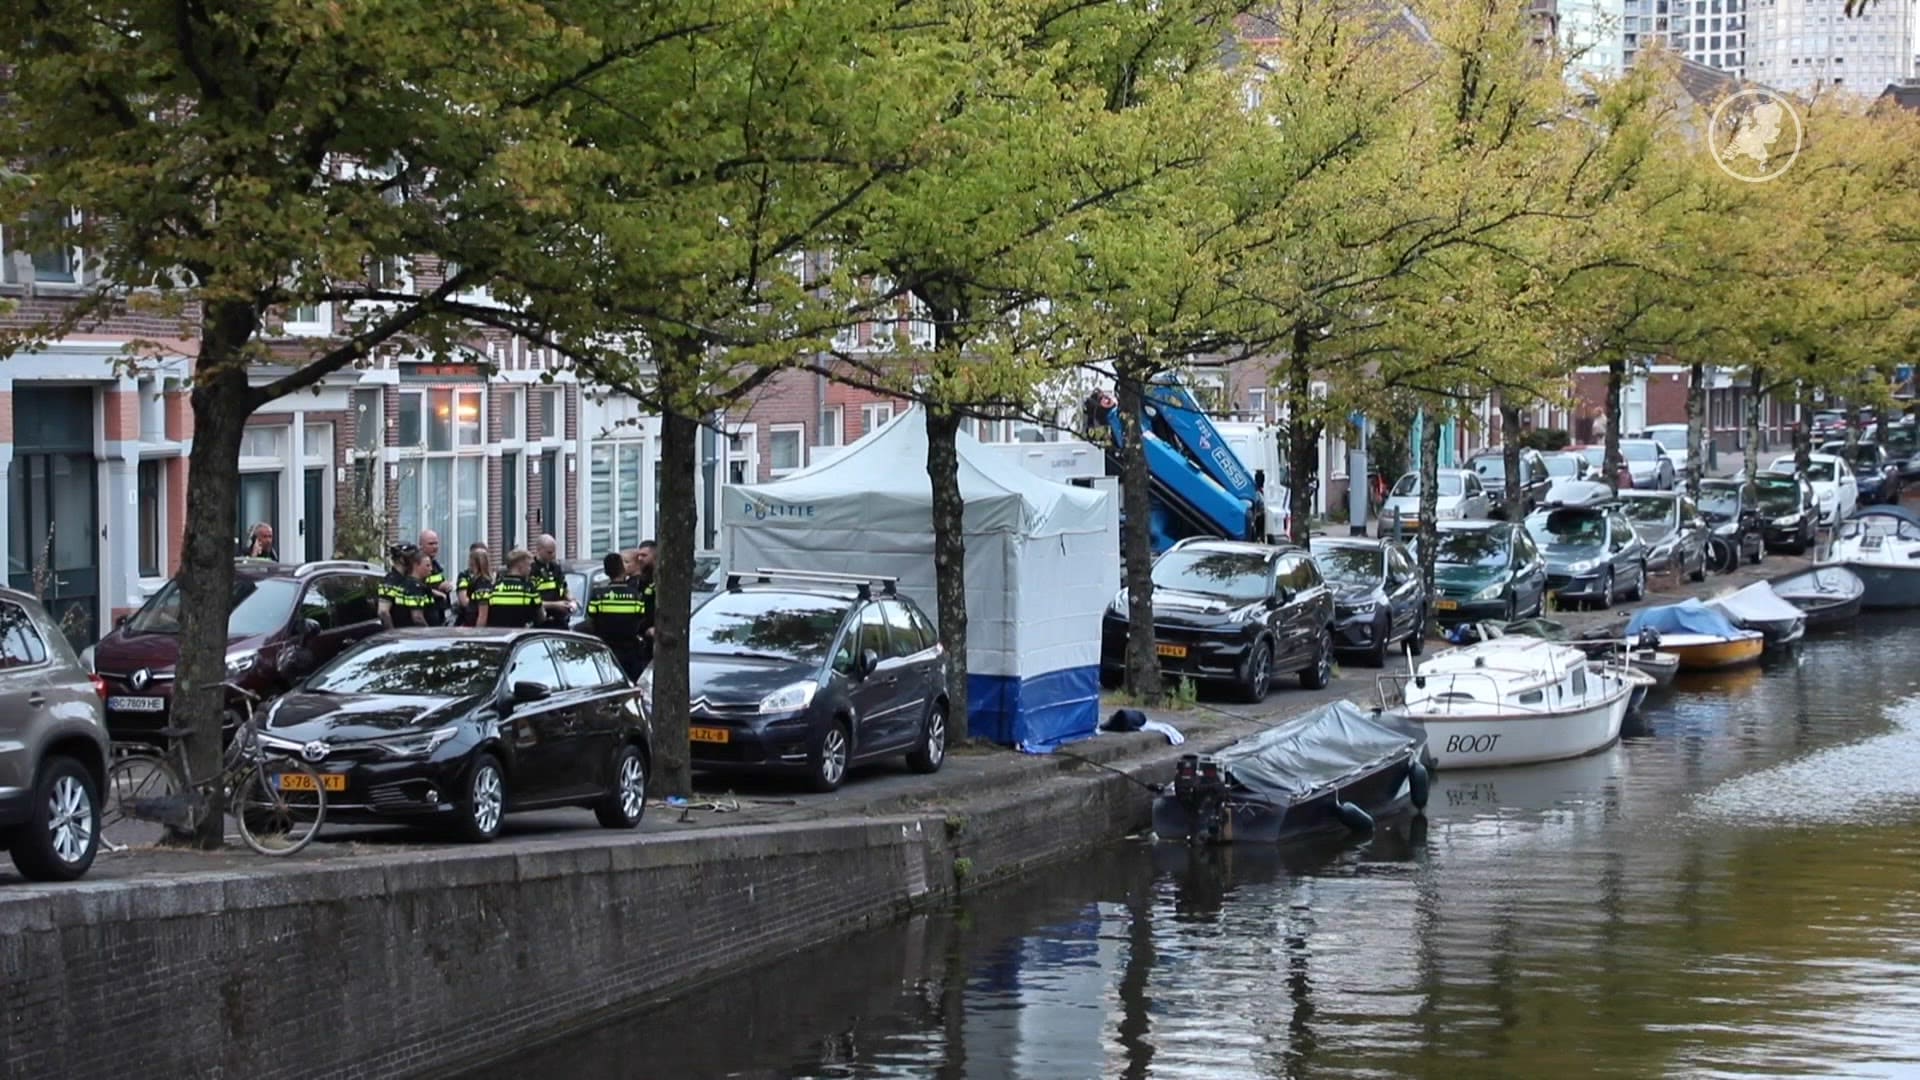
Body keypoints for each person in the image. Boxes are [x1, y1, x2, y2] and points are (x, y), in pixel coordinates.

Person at [585, 552, 646, 680]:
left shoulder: (598, 595)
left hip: (606, 651)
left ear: (606, 572)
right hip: (630, 652)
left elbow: (591, 620)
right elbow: (641, 619)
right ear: (623, 570)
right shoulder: (635, 595)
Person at [377, 543, 436, 629]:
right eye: (411, 557)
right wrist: (392, 633)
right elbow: (383, 612)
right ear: (402, 559)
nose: (414, 560)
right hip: (401, 633)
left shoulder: (406, 579)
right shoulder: (391, 581)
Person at [480, 548, 541, 629]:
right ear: (520, 565)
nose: (530, 569)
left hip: (497, 634)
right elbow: (541, 616)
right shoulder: (529, 589)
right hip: (520, 634)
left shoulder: (494, 587)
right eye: (529, 565)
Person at [530, 533, 574, 628]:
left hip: (560, 620)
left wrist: (571, 601)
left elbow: (564, 588)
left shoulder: (556, 567)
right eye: (549, 552)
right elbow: (532, 602)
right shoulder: (531, 570)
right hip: (541, 622)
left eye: (554, 552)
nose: (553, 556)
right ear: (539, 550)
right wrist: (555, 605)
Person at [455, 543, 494, 627]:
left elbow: (482, 615)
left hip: (474, 625)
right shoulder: (473, 579)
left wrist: (477, 632)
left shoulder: (482, 583)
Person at [632, 539, 657, 665]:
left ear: (655, 556)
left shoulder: (660, 580)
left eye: (644, 555)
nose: (640, 559)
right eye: (639, 555)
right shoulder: (640, 580)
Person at [418, 529, 452, 626]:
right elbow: (416, 586)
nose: (435, 547)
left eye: (436, 543)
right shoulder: (416, 565)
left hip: (439, 614)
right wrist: (437, 589)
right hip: (426, 615)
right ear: (421, 545)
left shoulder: (436, 566)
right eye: (431, 544)